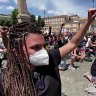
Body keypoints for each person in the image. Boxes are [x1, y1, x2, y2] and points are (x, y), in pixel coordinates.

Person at [0, 8, 96, 96]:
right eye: (36, 47)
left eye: (44, 46)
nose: (44, 51)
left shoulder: (51, 58)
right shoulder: (5, 79)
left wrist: (88, 21)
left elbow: (73, 43)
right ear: (17, 52)